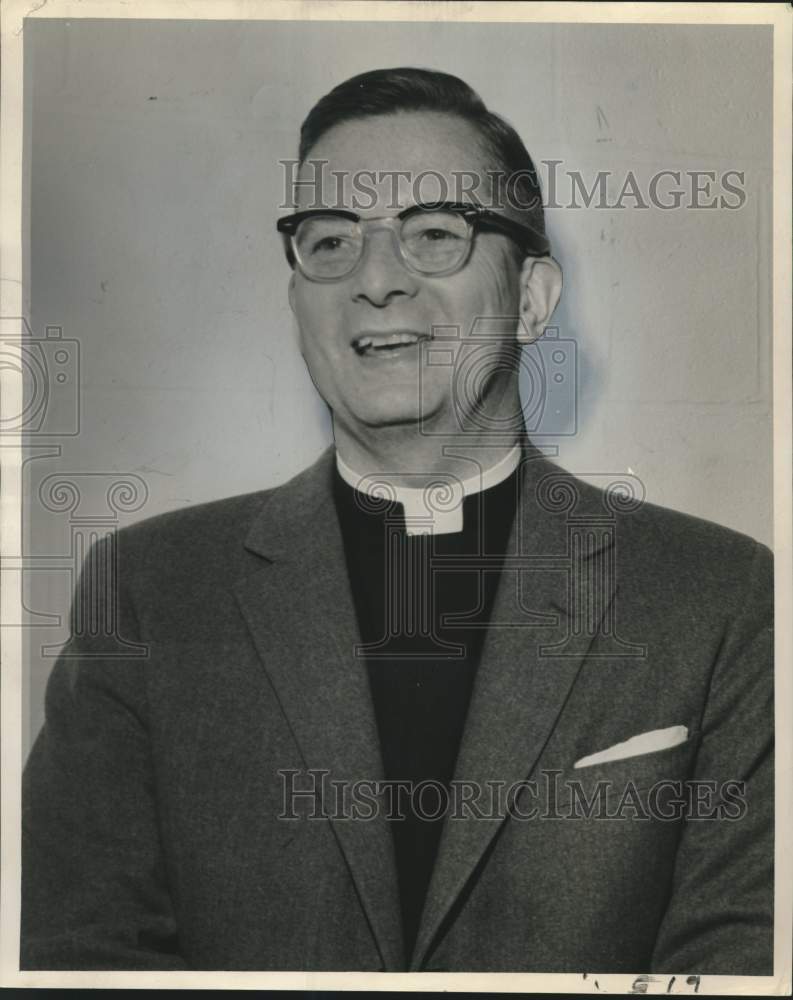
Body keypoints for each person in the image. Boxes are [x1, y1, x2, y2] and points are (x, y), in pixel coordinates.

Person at [21, 67, 773, 974]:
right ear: (295, 299)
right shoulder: (145, 591)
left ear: (532, 300)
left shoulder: (719, 597)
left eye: (433, 235)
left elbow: (739, 960)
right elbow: (75, 950)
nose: (374, 281)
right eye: (330, 240)